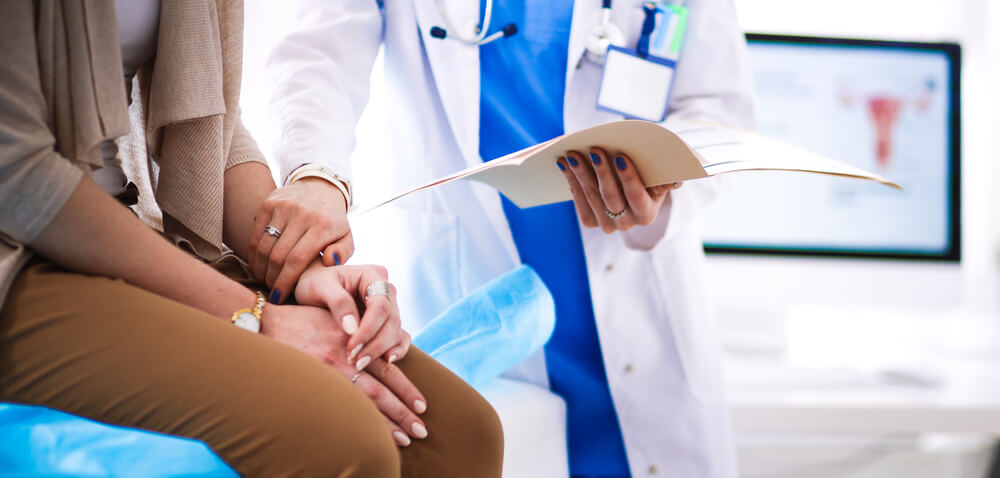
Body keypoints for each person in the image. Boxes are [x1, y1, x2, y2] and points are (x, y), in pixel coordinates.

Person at [0, 1, 503, 477]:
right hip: (21, 255)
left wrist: (300, 269)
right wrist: (256, 316)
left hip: (129, 230)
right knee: (342, 442)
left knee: (460, 432)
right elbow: (17, 172)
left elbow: (211, 121)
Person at [268, 0, 754, 476]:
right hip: (478, 286)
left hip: (638, 289)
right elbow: (317, 51)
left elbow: (718, 108)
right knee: (507, 442)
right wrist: (317, 176)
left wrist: (663, 179)